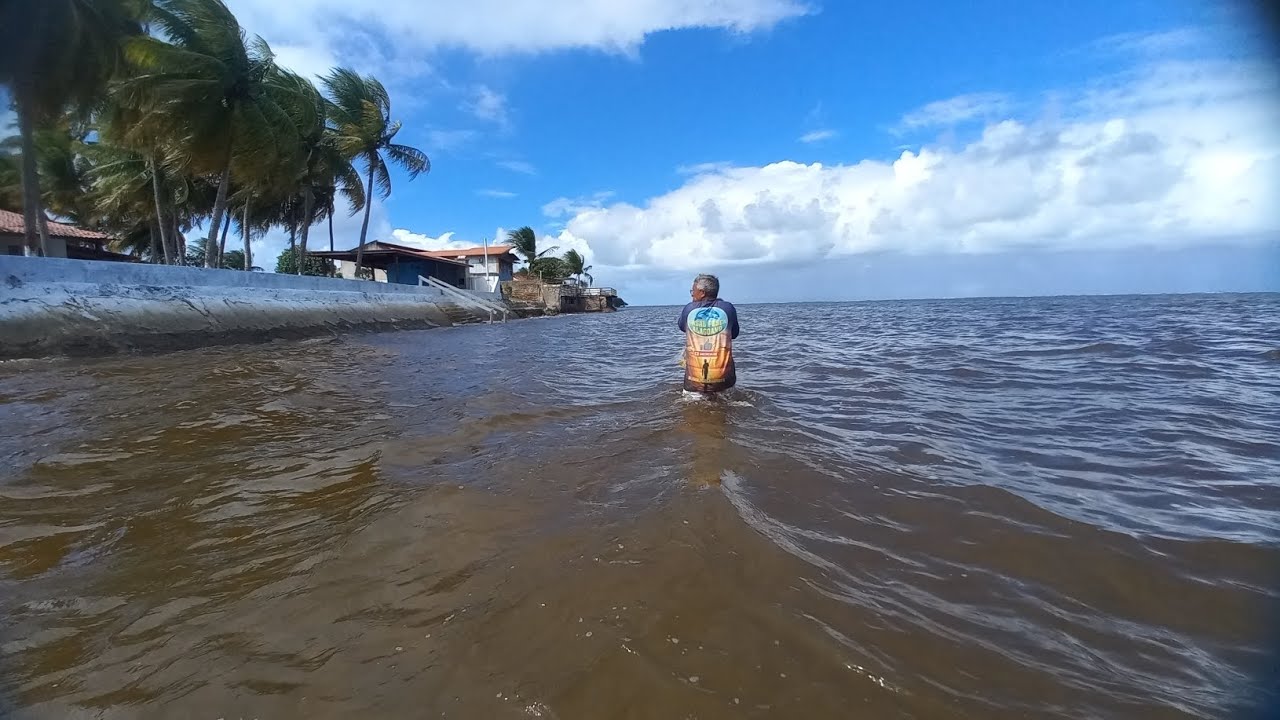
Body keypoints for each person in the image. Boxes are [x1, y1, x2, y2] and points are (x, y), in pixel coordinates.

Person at [677, 274, 740, 394]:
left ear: (702, 292)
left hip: (693, 383)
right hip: (724, 380)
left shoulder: (689, 309)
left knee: (692, 409)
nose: (692, 294)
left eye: (693, 290)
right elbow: (734, 334)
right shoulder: (728, 308)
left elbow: (682, 327)